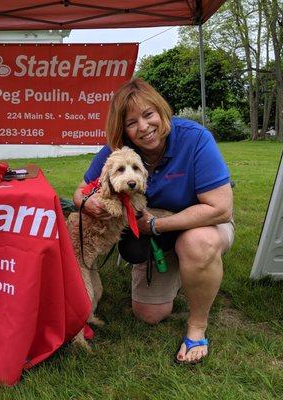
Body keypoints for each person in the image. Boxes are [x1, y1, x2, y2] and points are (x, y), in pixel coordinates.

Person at [72, 78, 234, 364]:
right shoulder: (117, 150)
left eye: (148, 115)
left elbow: (221, 209)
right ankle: (182, 270)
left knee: (196, 243)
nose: (144, 128)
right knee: (149, 315)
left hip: (199, 225)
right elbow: (80, 192)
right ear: (123, 129)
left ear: (161, 111)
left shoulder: (194, 138)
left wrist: (156, 225)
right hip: (153, 235)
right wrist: (89, 203)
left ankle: (197, 327)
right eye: (132, 122)